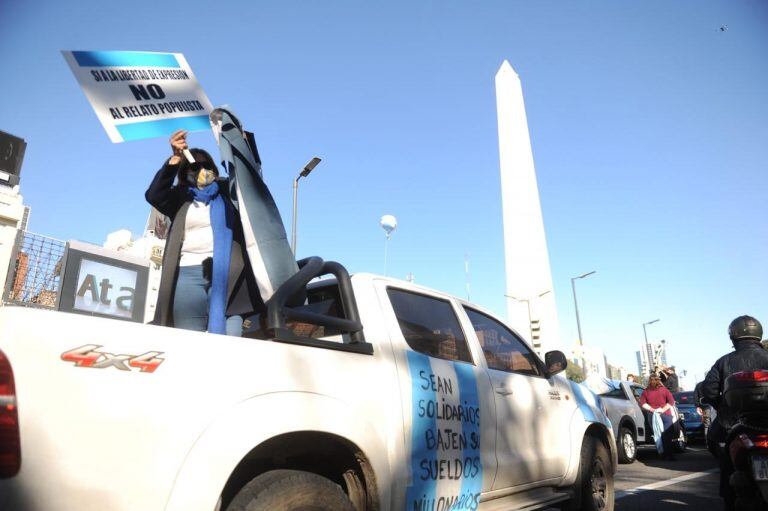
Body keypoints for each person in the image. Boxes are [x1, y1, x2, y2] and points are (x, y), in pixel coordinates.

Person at [145, 130, 262, 336]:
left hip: (229, 278)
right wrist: (175, 158)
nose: (201, 170)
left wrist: (245, 145)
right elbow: (154, 194)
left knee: (231, 342)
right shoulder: (181, 197)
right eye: (194, 166)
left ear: (214, 169)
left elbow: (253, 182)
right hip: (188, 275)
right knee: (190, 342)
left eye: (206, 165)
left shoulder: (229, 191)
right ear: (184, 172)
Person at [701, 315, 768, 511]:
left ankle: (729, 496)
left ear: (733, 336)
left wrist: (722, 406)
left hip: (733, 423)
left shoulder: (723, 362)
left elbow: (709, 391)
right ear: (758, 334)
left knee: (722, 454)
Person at [639, 373, 678, 460]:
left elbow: (642, 403)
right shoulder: (664, 390)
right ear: (658, 381)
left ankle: (662, 454)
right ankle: (669, 455)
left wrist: (652, 409)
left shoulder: (646, 391)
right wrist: (663, 410)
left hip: (652, 416)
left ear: (649, 381)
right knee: (667, 435)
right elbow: (671, 402)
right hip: (666, 415)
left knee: (658, 435)